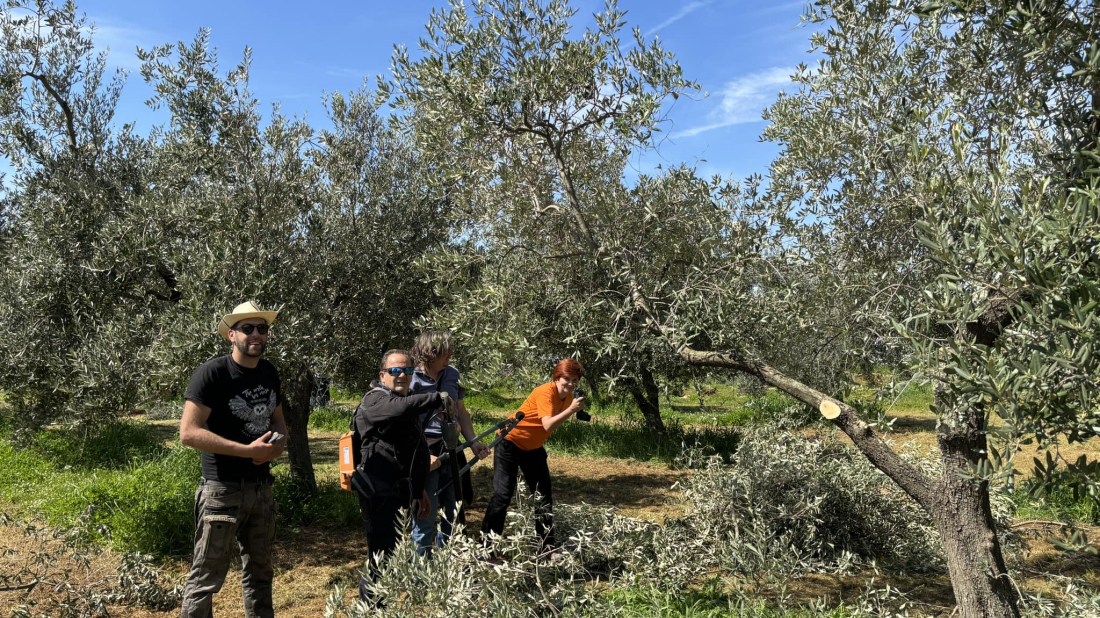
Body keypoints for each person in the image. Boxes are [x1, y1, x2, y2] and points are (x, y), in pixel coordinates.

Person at [179, 301, 287, 618]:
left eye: (262, 328)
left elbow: (278, 419)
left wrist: (277, 446)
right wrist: (247, 452)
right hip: (222, 491)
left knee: (260, 574)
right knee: (206, 579)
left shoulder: (269, 372)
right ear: (231, 335)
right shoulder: (211, 374)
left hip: (260, 489)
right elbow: (189, 433)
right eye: (247, 328)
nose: (256, 334)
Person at [352, 349, 446, 600]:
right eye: (395, 370)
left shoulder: (408, 401)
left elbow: (413, 451)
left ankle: (381, 605)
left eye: (407, 370)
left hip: (400, 490)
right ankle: (370, 608)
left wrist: (419, 491)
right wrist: (436, 397)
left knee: (391, 554)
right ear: (383, 375)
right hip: (377, 492)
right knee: (380, 555)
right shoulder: (375, 400)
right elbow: (397, 409)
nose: (401, 375)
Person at [481, 358, 586, 552]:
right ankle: (485, 549)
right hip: (509, 443)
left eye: (575, 380)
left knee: (543, 496)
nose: (571, 384)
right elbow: (547, 424)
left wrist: (573, 409)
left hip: (533, 448)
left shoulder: (569, 397)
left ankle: (547, 548)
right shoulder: (545, 391)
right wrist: (571, 410)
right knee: (502, 496)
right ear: (557, 377)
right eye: (567, 379)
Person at [409, 330, 490, 555]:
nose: (452, 353)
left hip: (452, 448)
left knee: (453, 514)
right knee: (425, 516)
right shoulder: (411, 378)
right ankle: (421, 576)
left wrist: (473, 442)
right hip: (425, 449)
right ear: (430, 352)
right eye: (446, 349)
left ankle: (450, 570)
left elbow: (461, 411)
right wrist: (422, 455)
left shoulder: (452, 374)